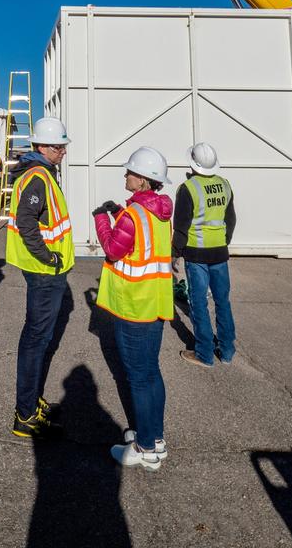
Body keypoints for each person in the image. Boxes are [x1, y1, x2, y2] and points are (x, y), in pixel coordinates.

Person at [94, 146, 174, 472]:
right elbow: (139, 244)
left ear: (142, 180)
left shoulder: (133, 215)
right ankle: (154, 437)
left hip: (133, 306)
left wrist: (102, 218)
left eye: (129, 171)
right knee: (151, 373)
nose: (125, 175)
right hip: (154, 303)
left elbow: (114, 249)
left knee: (139, 378)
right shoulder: (158, 212)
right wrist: (118, 215)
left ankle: (144, 449)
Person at [6, 116, 75, 439]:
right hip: (45, 271)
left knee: (37, 338)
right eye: (58, 147)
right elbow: (26, 220)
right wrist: (47, 256)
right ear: (42, 147)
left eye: (62, 146)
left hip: (45, 271)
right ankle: (25, 414)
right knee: (36, 340)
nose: (63, 151)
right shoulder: (37, 177)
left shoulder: (40, 173)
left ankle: (29, 400)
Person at [172, 142, 237, 368]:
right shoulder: (224, 184)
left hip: (197, 255)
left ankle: (204, 354)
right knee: (222, 302)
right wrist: (223, 242)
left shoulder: (188, 188)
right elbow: (231, 220)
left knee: (198, 303)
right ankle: (227, 351)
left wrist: (174, 255)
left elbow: (181, 227)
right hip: (220, 253)